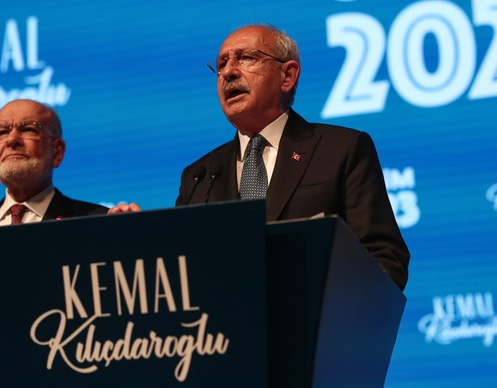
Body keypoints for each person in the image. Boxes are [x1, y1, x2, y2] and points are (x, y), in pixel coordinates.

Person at [176, 24, 410, 290]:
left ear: (287, 76)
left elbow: (384, 259)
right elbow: (181, 274)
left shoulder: (341, 150)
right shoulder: (199, 176)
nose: (228, 72)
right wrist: (138, 234)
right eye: (221, 64)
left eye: (247, 58)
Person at [0, 99, 139, 387]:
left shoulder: (94, 223)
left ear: (57, 151)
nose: (12, 140)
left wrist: (133, 240)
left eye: (28, 129)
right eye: (2, 132)